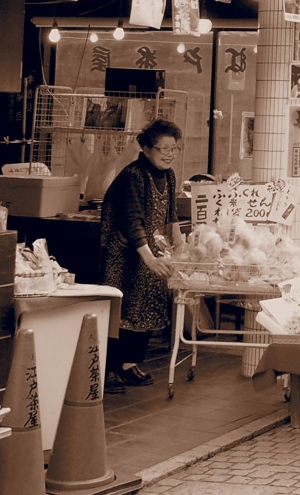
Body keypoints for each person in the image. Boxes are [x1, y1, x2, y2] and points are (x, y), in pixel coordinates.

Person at [101, 119, 183, 395]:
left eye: (174, 148)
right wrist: (148, 257)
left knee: (147, 309)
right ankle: (108, 368)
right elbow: (132, 221)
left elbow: (171, 215)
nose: (170, 154)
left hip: (153, 253)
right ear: (146, 149)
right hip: (125, 254)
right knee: (121, 312)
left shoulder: (169, 175)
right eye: (164, 149)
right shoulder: (133, 176)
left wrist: (180, 244)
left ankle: (128, 363)